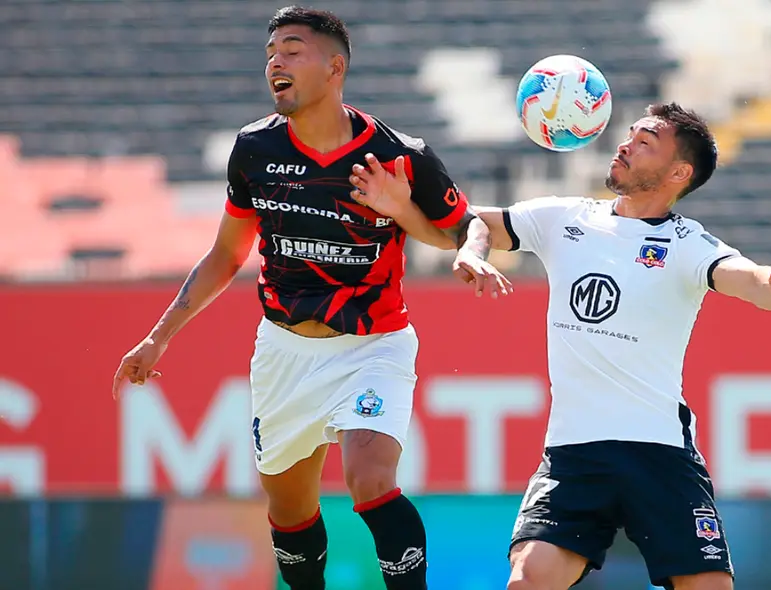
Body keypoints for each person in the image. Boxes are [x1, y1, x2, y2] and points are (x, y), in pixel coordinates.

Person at [112, 6, 511, 590]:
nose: (276, 61)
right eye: (271, 52)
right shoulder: (254, 149)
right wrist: (158, 337)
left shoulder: (398, 154)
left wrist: (458, 245)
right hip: (284, 352)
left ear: (334, 67)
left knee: (370, 481)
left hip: (374, 345)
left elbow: (466, 225)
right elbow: (225, 256)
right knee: (290, 509)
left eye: (292, 50)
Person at [349, 101, 771, 590]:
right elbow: (468, 223)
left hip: (659, 453)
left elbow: (745, 276)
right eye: (630, 135)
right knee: (528, 580)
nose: (625, 144)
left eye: (645, 142)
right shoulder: (564, 217)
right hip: (575, 455)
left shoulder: (689, 244)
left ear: (679, 172)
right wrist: (409, 213)